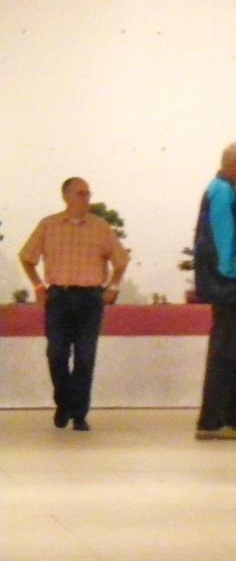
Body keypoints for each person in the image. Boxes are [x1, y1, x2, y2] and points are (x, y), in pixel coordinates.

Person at [18, 177, 130, 432]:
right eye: (81, 193)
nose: (86, 198)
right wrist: (38, 286)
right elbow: (26, 257)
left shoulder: (100, 226)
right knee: (56, 353)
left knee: (85, 356)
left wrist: (113, 287)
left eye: (88, 194)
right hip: (59, 297)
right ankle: (64, 402)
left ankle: (79, 413)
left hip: (90, 299)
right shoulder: (48, 225)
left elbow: (121, 260)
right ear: (66, 196)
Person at [193, 141, 236, 441]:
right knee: (226, 353)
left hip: (229, 283)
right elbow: (223, 239)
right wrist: (235, 274)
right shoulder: (221, 192)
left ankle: (234, 419)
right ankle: (213, 422)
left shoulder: (225, 190)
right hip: (226, 284)